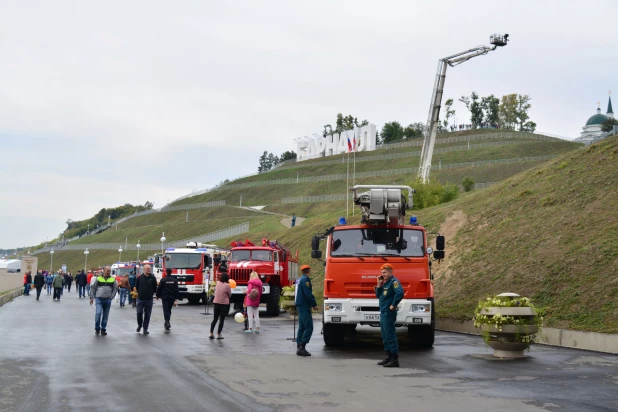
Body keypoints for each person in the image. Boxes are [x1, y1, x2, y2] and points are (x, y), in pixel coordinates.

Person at [375, 263, 404, 368]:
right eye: (382, 273)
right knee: (384, 335)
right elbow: (379, 296)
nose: (383, 274)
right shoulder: (385, 283)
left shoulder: (394, 282)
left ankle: (394, 359)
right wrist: (378, 284)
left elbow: (400, 293)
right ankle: (388, 357)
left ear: (391, 272)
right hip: (383, 311)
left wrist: (394, 304)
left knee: (390, 335)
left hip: (388, 312)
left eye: (385, 272)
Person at [295, 264, 318, 356]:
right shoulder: (306, 280)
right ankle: (302, 347)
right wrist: (314, 304)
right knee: (309, 327)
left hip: (300, 305)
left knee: (302, 326)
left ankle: (299, 345)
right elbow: (308, 294)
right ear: (308, 271)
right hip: (304, 305)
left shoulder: (301, 279)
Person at [90, 266, 118, 336]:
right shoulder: (98, 278)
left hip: (108, 300)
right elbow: (94, 288)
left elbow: (115, 289)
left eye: (110, 271)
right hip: (99, 299)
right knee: (98, 313)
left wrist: (111, 297)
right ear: (104, 271)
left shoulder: (112, 279)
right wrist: (91, 297)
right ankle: (97, 328)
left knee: (105, 316)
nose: (109, 272)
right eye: (107, 271)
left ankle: (103, 329)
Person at [135, 264, 158, 335]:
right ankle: (139, 325)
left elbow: (155, 288)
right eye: (147, 268)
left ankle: (145, 328)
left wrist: (153, 293)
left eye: (150, 268)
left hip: (149, 299)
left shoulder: (153, 278)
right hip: (140, 298)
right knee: (139, 313)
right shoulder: (139, 278)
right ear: (144, 270)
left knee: (147, 314)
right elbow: (137, 286)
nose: (149, 270)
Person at [209, 272, 231, 340]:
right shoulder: (227, 285)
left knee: (215, 319)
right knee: (221, 319)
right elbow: (229, 295)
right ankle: (218, 334)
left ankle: (211, 333)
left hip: (216, 303)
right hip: (224, 304)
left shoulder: (218, 283)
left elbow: (215, 292)